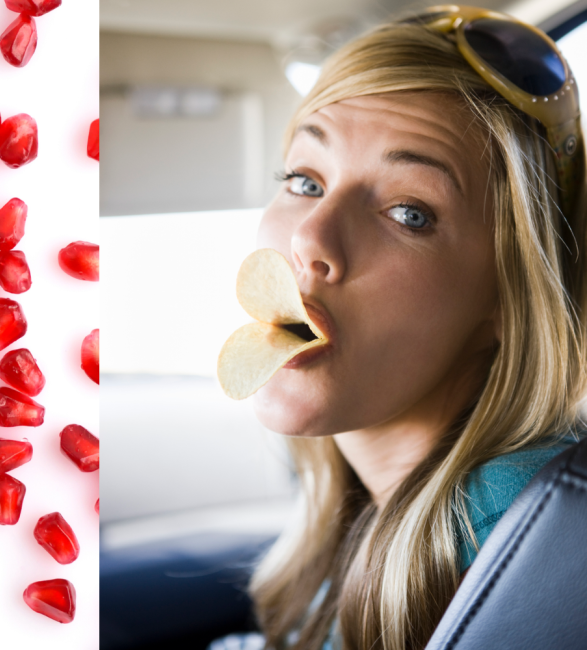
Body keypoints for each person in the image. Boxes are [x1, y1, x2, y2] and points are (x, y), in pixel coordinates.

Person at [234, 7, 587, 650]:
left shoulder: (521, 535)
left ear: (509, 297)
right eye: (305, 180)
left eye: (409, 213)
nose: (309, 238)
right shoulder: (380, 508)